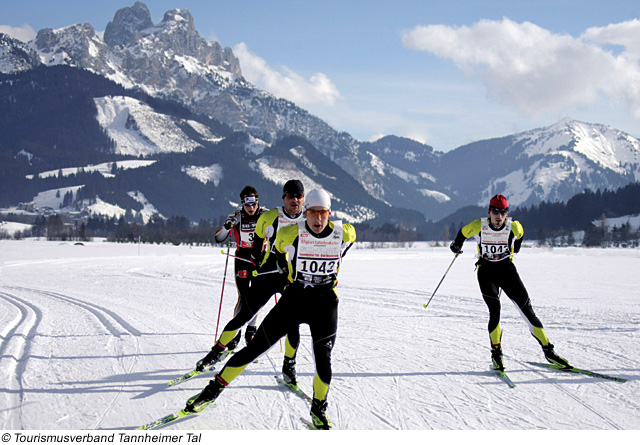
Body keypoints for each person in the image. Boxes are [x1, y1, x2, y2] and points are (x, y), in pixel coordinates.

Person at [183, 188, 356, 430]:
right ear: (305, 213)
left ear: (329, 213)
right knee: (254, 348)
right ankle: (211, 392)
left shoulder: (345, 232)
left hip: (325, 305)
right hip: (294, 300)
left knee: (324, 361)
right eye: (313, 213)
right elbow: (275, 252)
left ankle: (318, 409)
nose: (318, 219)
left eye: (323, 213)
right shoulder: (289, 233)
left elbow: (349, 236)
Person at [195, 180, 306, 381]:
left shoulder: (309, 219)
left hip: (291, 277)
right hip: (269, 272)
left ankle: (289, 366)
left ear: (303, 198)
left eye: (299, 196)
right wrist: (256, 260)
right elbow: (256, 244)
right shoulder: (270, 217)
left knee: (293, 323)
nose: (295, 200)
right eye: (291, 196)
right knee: (244, 312)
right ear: (284, 197)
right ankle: (216, 352)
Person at [449, 194, 570, 372]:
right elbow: (462, 233)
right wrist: (456, 246)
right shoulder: (478, 226)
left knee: (527, 310)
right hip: (486, 273)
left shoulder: (513, 227)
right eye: (495, 212)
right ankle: (496, 354)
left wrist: (517, 247)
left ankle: (549, 351)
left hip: (507, 272)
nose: (499, 217)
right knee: (495, 310)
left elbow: (520, 234)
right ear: (489, 212)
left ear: (507, 214)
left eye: (503, 213)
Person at [213, 186, 266, 350]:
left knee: (257, 297)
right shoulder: (237, 217)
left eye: (253, 203)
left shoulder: (266, 215)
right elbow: (219, 238)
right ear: (242, 203)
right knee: (243, 297)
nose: (251, 208)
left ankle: (251, 331)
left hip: (260, 259)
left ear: (257, 202)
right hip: (242, 258)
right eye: (247, 204)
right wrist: (228, 226)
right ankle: (234, 333)